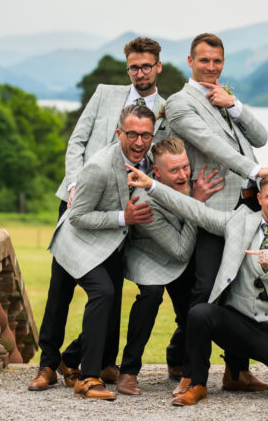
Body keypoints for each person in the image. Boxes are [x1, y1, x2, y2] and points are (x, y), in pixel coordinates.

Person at [126, 169, 268, 407]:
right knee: (200, 313)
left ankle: (239, 375)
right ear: (259, 199)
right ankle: (197, 384)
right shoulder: (239, 221)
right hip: (237, 326)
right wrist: (152, 185)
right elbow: (194, 210)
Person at [30, 37, 167, 391]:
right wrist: (76, 183)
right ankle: (47, 364)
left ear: (158, 67)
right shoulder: (105, 93)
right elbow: (77, 141)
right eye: (134, 67)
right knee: (60, 287)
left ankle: (99, 361)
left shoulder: (166, 110)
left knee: (111, 287)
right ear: (128, 68)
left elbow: (161, 160)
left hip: (125, 211)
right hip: (80, 199)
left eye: (146, 66)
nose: (140, 72)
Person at [164, 32, 268, 394]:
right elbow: (211, 145)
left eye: (217, 61)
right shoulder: (179, 103)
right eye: (204, 61)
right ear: (190, 61)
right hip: (212, 206)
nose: (211, 67)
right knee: (205, 288)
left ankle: (237, 372)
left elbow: (262, 136)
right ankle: (192, 373)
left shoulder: (223, 96)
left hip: (248, 206)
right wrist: (255, 172)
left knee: (243, 286)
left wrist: (234, 105)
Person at [42, 104, 157, 400]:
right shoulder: (99, 166)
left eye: (146, 135)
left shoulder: (150, 162)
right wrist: (124, 218)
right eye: (132, 134)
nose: (139, 142)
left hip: (109, 243)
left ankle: (70, 359)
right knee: (103, 292)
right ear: (120, 133)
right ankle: (88, 379)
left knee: (109, 302)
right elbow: (76, 216)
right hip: (76, 240)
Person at [118, 137, 222, 395]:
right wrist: (194, 203)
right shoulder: (145, 200)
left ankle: (177, 360)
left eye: (185, 167)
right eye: (174, 170)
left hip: (178, 255)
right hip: (149, 255)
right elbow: (179, 250)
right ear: (156, 173)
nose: (183, 174)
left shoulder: (187, 182)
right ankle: (128, 372)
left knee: (192, 309)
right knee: (151, 297)